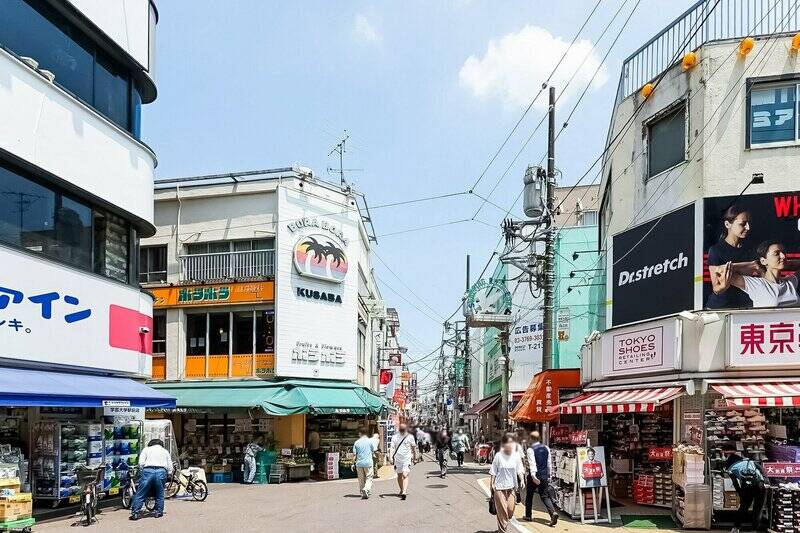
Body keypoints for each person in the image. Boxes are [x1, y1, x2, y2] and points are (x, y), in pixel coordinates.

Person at [715, 240, 800, 308]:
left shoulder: (790, 282)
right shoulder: (756, 284)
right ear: (763, 260)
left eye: (783, 252)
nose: (783, 256)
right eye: (776, 254)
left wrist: (786, 263)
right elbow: (720, 270)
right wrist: (753, 265)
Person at [707, 206, 755, 309]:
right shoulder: (716, 250)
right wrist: (723, 286)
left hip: (747, 307)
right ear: (727, 224)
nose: (748, 227)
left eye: (749, 223)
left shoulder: (751, 250)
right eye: (742, 224)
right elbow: (716, 288)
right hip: (721, 308)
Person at [490, 433, 526, 533]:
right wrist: (492, 484)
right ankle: (502, 530)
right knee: (502, 513)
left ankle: (502, 526)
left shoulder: (516, 456)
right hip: (499, 488)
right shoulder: (498, 456)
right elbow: (493, 471)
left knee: (510, 511)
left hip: (511, 488)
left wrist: (522, 480)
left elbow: (519, 469)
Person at [130, 439, 173, 520]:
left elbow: (141, 463)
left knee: (141, 492)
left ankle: (135, 512)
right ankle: (158, 512)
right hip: (161, 471)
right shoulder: (165, 451)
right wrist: (169, 473)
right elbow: (169, 464)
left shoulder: (146, 449)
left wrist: (142, 470)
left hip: (148, 471)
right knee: (160, 492)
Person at [523, 431, 558, 527]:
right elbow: (549, 463)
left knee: (529, 495)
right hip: (544, 475)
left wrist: (533, 476)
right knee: (544, 496)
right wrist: (549, 475)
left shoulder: (530, 450)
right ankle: (553, 513)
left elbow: (532, 464)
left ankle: (528, 516)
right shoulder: (546, 448)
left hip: (534, 476)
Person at [726, 453, 768, 533]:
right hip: (760, 485)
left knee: (743, 508)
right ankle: (754, 530)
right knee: (758, 509)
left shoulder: (731, 468)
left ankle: (736, 528)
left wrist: (740, 493)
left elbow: (735, 483)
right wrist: (766, 481)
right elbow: (762, 470)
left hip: (746, 487)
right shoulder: (750, 462)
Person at [389, 424, 418, 500]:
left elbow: (414, 448)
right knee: (399, 475)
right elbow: (392, 447)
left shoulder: (410, 437)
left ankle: (404, 491)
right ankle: (402, 490)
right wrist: (390, 457)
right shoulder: (395, 437)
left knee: (405, 474)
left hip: (406, 459)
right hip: (397, 459)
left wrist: (415, 457)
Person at [353, 429, 377, 499]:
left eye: (358, 433)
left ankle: (362, 492)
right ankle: (366, 489)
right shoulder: (370, 441)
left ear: (360, 433)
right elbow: (373, 451)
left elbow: (354, 455)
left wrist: (352, 463)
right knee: (369, 477)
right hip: (368, 462)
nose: (358, 434)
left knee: (361, 479)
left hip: (359, 463)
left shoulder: (356, 442)